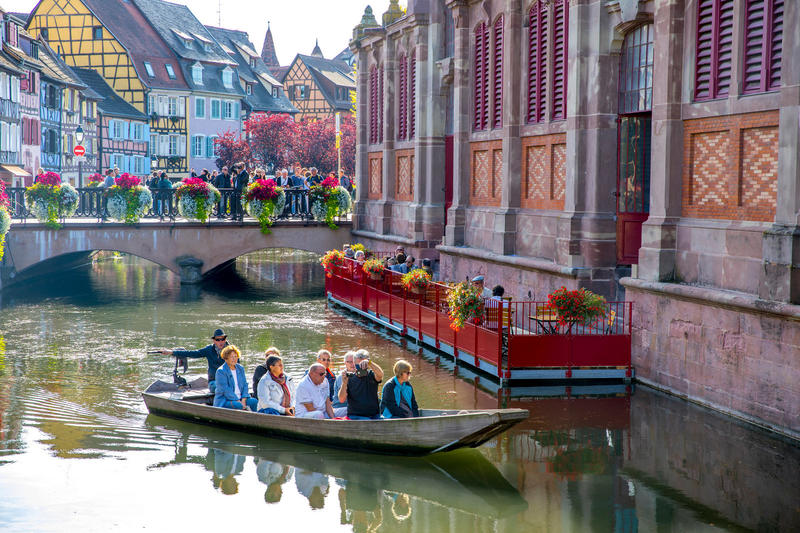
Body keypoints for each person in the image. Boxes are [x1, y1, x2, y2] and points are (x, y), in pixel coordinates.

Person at [160, 328, 230, 393]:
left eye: (222, 339)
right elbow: (193, 353)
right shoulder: (209, 350)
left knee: (230, 386)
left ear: (225, 339)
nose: (220, 342)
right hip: (214, 382)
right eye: (218, 340)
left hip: (228, 381)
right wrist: (172, 352)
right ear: (214, 341)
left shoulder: (231, 351)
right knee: (219, 387)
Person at [337, 349, 383, 420]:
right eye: (358, 366)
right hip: (356, 415)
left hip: (374, 415)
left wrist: (370, 363)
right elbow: (341, 399)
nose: (361, 368)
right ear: (354, 364)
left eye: (363, 365)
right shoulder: (350, 377)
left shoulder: (371, 375)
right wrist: (344, 383)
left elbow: (380, 375)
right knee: (368, 422)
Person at [213, 345, 258, 411]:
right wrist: (237, 400)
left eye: (235, 356)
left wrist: (243, 399)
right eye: (231, 357)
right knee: (238, 405)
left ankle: (255, 416)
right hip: (226, 400)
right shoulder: (221, 371)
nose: (234, 359)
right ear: (226, 358)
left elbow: (245, 384)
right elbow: (225, 390)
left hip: (241, 398)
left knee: (254, 401)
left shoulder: (240, 368)